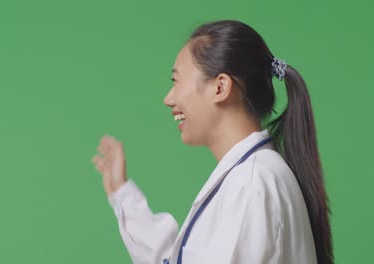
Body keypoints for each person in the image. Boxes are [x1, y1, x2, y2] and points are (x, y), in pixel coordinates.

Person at [91, 19, 334, 264]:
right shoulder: (252, 176)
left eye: (176, 80)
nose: (168, 98)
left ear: (220, 87)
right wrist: (121, 193)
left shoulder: (250, 184)